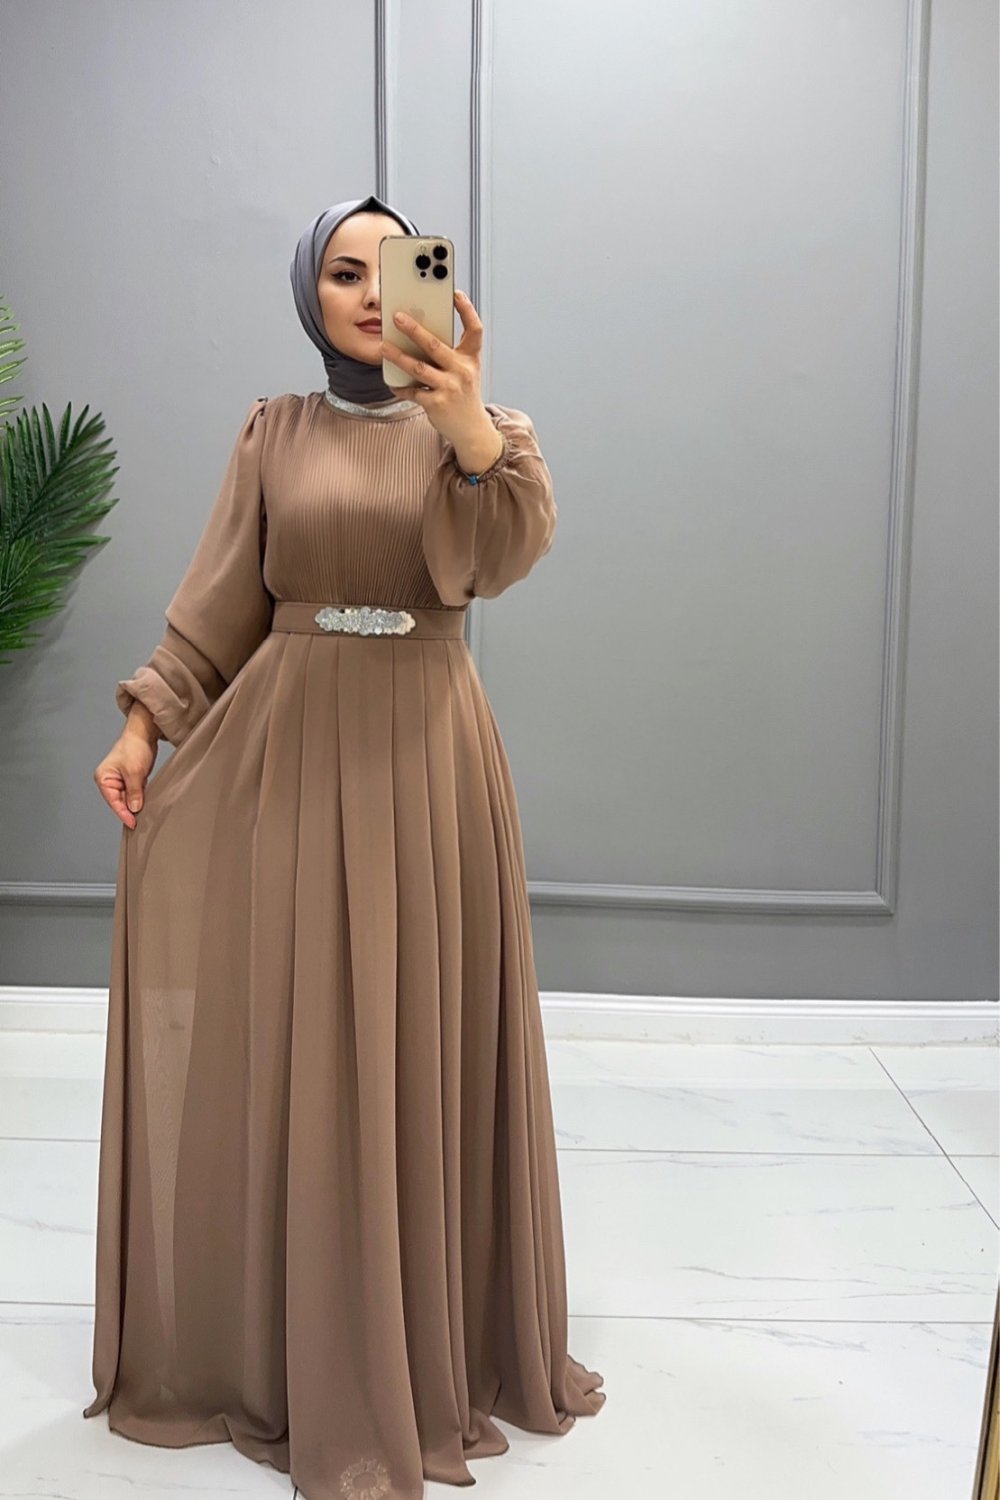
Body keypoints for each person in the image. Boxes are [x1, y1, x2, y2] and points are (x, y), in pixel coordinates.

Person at [86, 193, 606, 1500]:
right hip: (291, 750)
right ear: (306, 296)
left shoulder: (486, 433)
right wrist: (146, 722)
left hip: (427, 761)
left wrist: (466, 427)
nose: (373, 293)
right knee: (305, 1040)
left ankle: (424, 1340)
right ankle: (288, 1335)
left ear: (435, 282)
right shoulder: (275, 430)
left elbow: (503, 559)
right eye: (341, 272)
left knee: (419, 1036)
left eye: (395, 267)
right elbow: (221, 599)